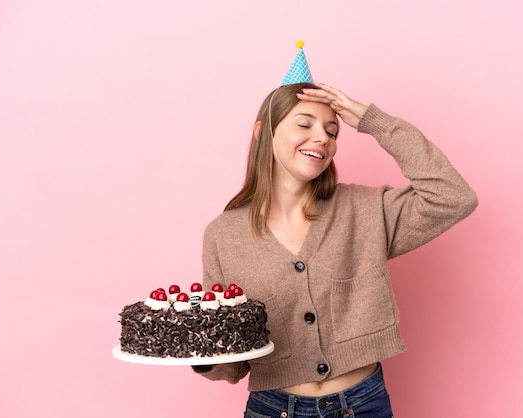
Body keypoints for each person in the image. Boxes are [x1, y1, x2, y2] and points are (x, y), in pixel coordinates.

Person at [192, 80, 478, 417]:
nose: (322, 138)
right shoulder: (223, 235)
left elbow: (453, 197)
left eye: (332, 131)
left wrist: (373, 122)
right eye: (304, 124)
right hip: (273, 408)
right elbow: (231, 358)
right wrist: (202, 355)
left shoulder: (366, 210)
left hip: (362, 404)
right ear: (262, 132)